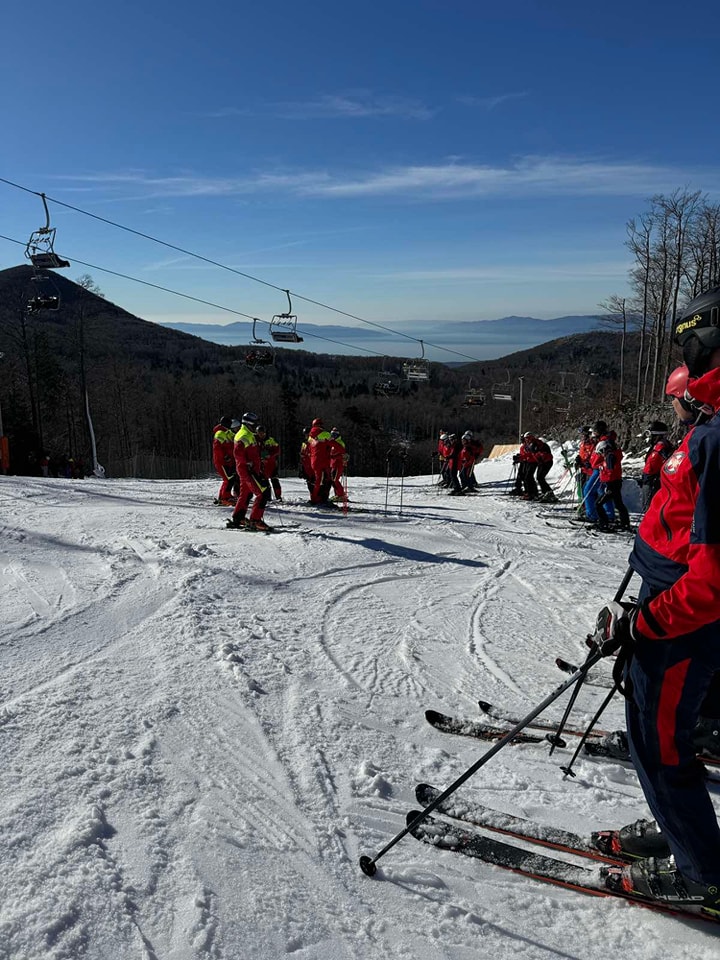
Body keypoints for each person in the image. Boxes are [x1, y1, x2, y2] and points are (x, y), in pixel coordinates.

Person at [598, 286, 720, 908]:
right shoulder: (706, 428)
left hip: (684, 619)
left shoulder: (715, 436)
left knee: (659, 738)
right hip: (672, 601)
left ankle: (705, 872)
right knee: (661, 733)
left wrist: (646, 622)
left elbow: (713, 579)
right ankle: (685, 832)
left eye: (690, 344)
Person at [227, 412, 271, 531]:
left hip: (250, 469)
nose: (256, 426)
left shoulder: (249, 434)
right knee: (263, 493)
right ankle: (255, 520)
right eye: (254, 424)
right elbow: (237, 454)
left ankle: (238, 517)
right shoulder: (243, 435)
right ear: (249, 424)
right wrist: (248, 463)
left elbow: (252, 451)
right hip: (247, 471)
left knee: (246, 494)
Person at [592, 433, 631, 531]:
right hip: (614, 483)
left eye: (601, 452)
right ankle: (625, 523)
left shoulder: (610, 456)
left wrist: (605, 467)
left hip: (612, 484)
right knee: (618, 504)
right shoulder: (610, 455)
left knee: (598, 504)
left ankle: (604, 523)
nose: (601, 455)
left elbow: (610, 468)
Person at [637, 421, 675, 512]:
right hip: (649, 481)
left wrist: (659, 477)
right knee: (648, 507)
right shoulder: (655, 447)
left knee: (650, 509)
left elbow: (670, 464)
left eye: (650, 435)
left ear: (657, 435)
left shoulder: (662, 448)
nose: (648, 438)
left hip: (653, 483)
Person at [212, 415, 237, 506]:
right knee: (229, 479)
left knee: (228, 479)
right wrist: (225, 456)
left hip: (227, 461)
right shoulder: (220, 433)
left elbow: (234, 437)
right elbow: (217, 448)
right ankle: (225, 498)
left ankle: (222, 496)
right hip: (221, 461)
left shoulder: (227, 432)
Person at [308, 418, 332, 504]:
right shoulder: (325, 434)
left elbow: (310, 449)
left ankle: (314, 497)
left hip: (313, 461)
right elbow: (333, 444)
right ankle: (323, 498)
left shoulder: (310, 437)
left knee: (317, 480)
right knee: (328, 479)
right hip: (324, 460)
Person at [255, 424, 282, 500]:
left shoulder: (270, 440)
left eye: (263, 433)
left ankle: (278, 496)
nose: (261, 434)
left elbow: (277, 450)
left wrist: (270, 455)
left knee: (275, 480)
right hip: (261, 465)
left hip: (271, 464)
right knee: (264, 482)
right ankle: (267, 497)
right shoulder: (254, 441)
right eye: (259, 433)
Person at [328, 427, 348, 500]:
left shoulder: (339, 442)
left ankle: (341, 495)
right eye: (332, 434)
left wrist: (333, 456)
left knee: (335, 480)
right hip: (333, 464)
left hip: (338, 463)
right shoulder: (333, 443)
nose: (333, 436)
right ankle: (337, 495)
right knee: (333, 480)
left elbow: (342, 453)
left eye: (334, 434)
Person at [298, 427, 314, 497]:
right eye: (305, 434)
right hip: (306, 466)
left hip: (312, 466)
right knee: (309, 483)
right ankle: (312, 496)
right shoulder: (304, 444)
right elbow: (302, 454)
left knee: (313, 482)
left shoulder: (313, 442)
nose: (306, 436)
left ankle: (316, 497)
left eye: (308, 434)